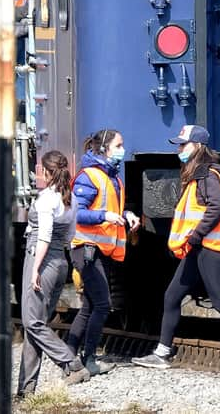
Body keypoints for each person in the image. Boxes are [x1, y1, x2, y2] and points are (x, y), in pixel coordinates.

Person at [131, 125, 220, 369]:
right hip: (198, 247)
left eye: (183, 144)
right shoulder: (197, 173)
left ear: (198, 146)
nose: (179, 149)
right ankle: (162, 353)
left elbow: (217, 206)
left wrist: (196, 235)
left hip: (208, 247)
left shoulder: (207, 174)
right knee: (172, 296)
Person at [67, 129, 140, 375]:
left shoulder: (114, 179)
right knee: (101, 304)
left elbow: (114, 206)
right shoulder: (88, 177)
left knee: (90, 305)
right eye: (119, 145)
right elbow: (76, 213)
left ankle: (69, 358)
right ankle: (88, 359)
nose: (123, 149)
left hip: (100, 249)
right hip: (86, 248)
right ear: (104, 149)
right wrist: (105, 216)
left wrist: (127, 214)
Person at [17, 151, 90, 396]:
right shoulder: (70, 199)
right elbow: (70, 236)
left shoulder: (47, 198)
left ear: (46, 172)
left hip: (42, 258)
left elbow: (44, 236)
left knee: (32, 322)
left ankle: (71, 363)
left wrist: (35, 269)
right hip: (60, 261)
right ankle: (26, 389)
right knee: (35, 325)